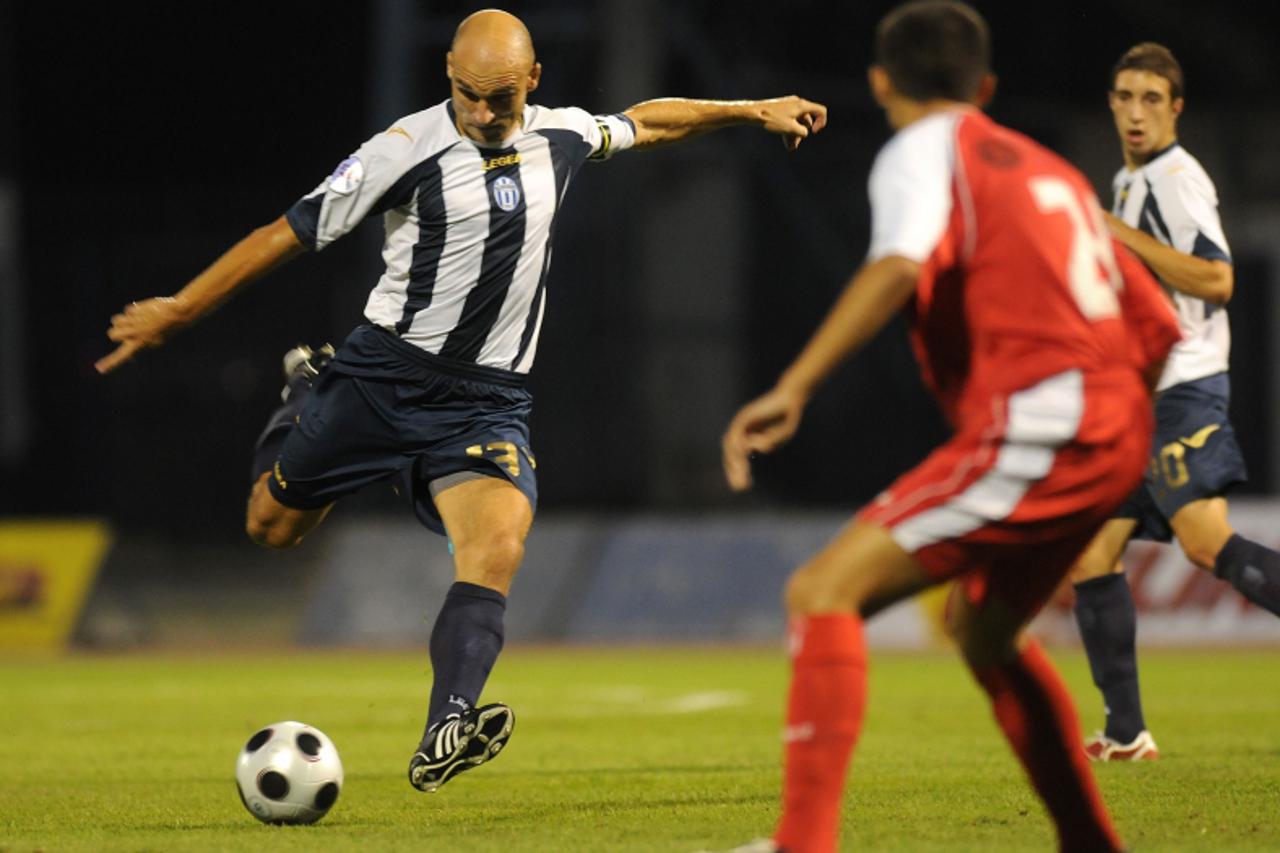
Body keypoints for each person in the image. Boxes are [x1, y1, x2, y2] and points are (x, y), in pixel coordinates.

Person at [96, 9, 827, 793]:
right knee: (271, 529)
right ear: (448, 73)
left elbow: (645, 122)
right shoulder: (403, 150)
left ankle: (447, 721)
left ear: (533, 82)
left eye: (500, 99)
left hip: (484, 404)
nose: (482, 113)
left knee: (498, 547)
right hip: (379, 380)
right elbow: (288, 232)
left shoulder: (559, 136)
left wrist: (748, 110)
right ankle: (306, 388)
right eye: (468, 95)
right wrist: (181, 309)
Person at [718, 3, 1181, 852]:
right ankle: (1090, 840)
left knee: (821, 592)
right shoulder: (1053, 173)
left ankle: (802, 843)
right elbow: (1155, 326)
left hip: (1048, 422)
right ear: (987, 86)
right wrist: (1113, 429)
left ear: (880, 82)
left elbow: (898, 263)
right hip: (1115, 426)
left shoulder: (922, 148)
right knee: (984, 630)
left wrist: (795, 385)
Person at [1068, 42, 1280, 762]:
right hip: (1141, 395)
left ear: (1175, 108)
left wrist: (1118, 234)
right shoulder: (1129, 183)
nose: (1135, 111)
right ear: (1110, 103)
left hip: (1184, 390)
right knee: (1091, 555)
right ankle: (1127, 732)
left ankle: (1127, 728)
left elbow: (1218, 283)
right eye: (1125, 97)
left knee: (1205, 541)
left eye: (1151, 99)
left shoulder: (1175, 179)